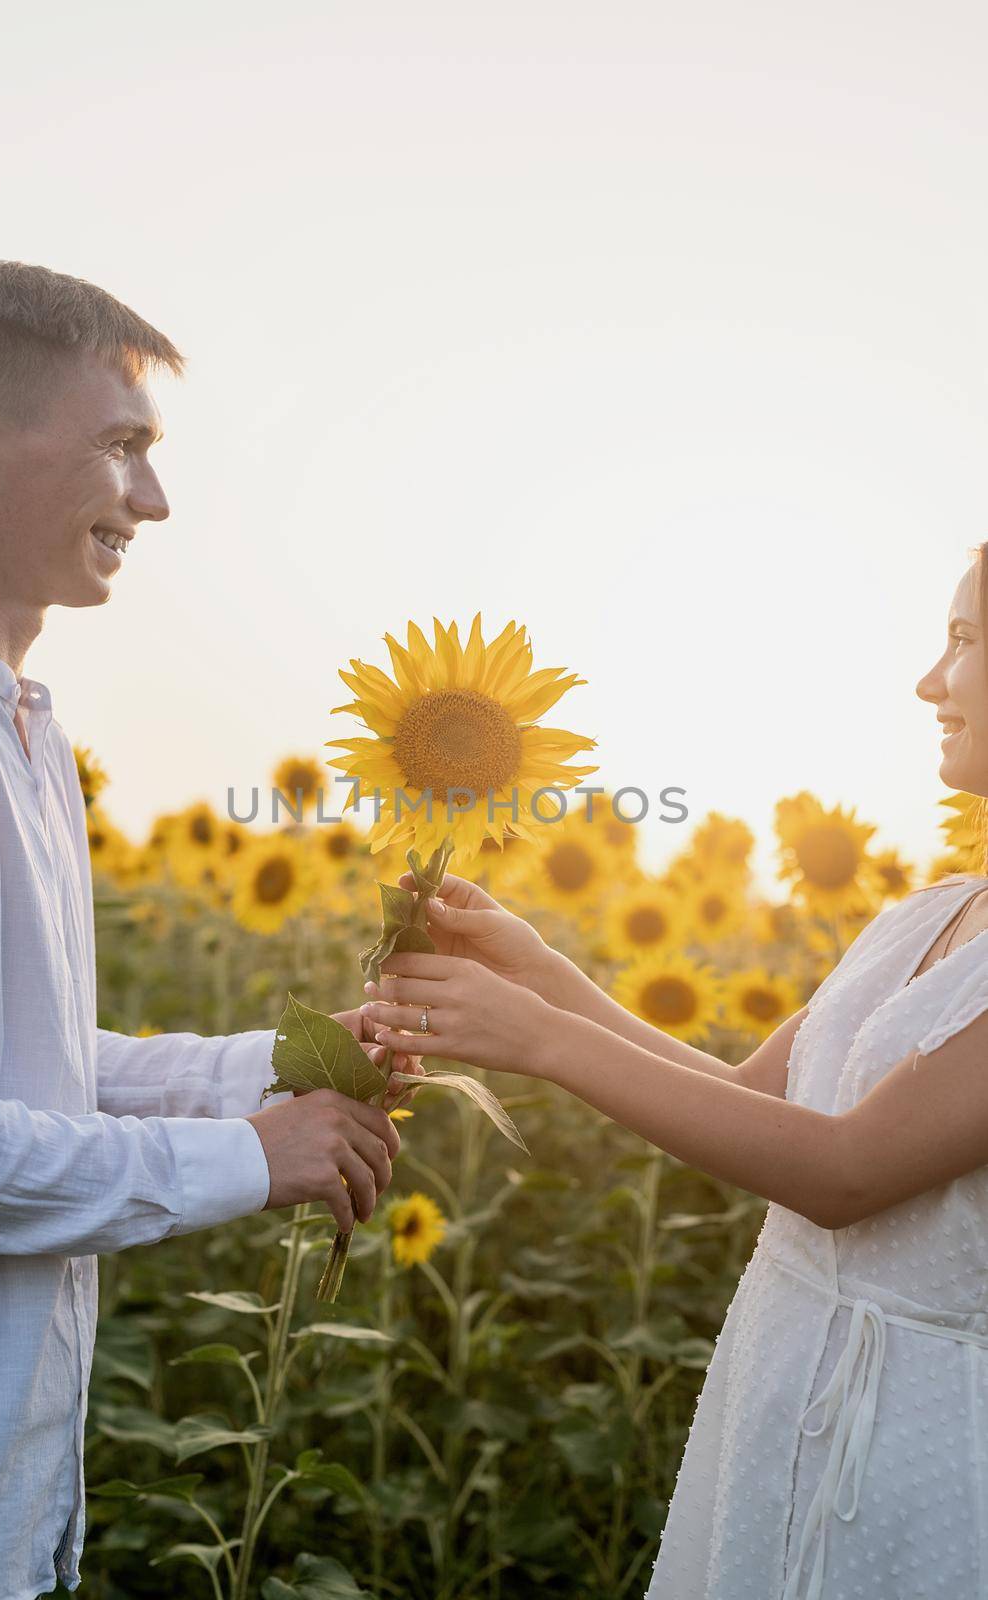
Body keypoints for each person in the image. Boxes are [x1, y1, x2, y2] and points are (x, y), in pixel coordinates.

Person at [0, 258, 421, 1600]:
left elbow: (20, 1063)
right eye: (121, 448)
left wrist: (271, 1065)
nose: (154, 498)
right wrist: (245, 1160)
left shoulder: (14, 723)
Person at [363, 544, 988, 1600]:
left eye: (965, 641)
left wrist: (538, 1039)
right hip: (781, 1392)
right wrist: (551, 978)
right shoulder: (923, 918)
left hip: (918, 1440)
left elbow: (844, 1171)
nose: (930, 679)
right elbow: (752, 1102)